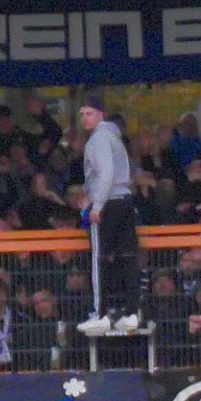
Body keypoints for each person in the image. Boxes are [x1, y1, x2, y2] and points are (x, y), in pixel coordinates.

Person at [76, 95, 142, 337]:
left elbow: (105, 172)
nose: (85, 118)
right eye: (82, 114)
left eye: (89, 113)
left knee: (99, 258)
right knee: (128, 256)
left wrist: (97, 205)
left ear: (100, 114)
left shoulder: (98, 139)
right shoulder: (115, 137)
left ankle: (100, 314)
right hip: (125, 199)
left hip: (108, 202)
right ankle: (132, 312)